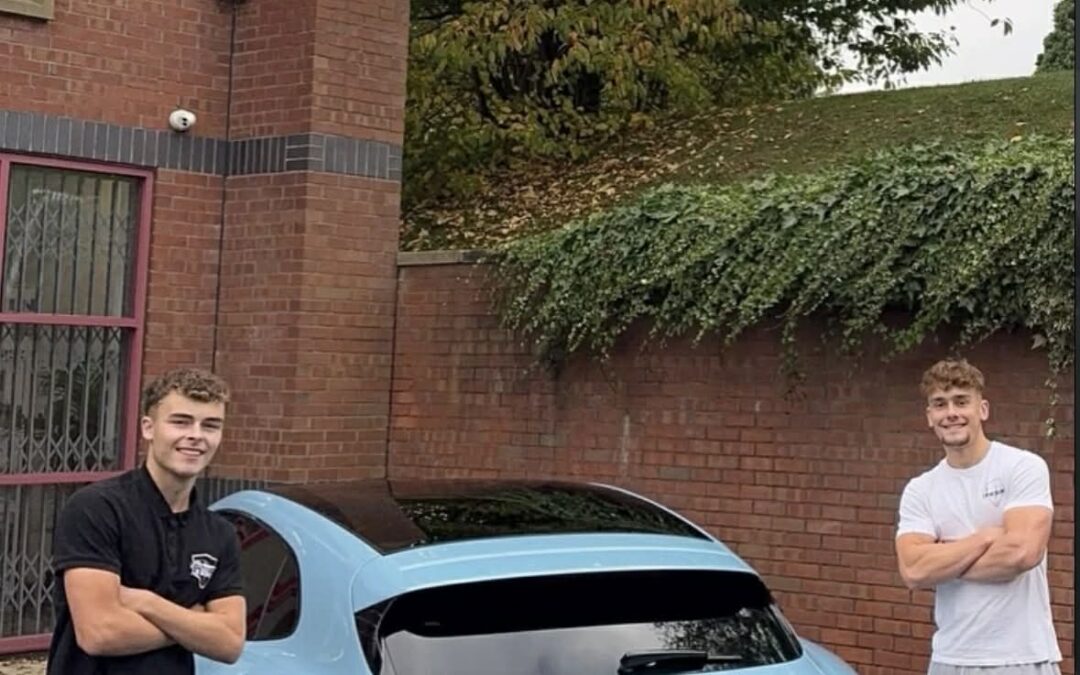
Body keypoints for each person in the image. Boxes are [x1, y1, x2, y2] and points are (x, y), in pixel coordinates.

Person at [46, 368, 246, 675]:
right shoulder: (97, 509)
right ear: (148, 428)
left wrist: (148, 603)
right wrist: (194, 623)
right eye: (180, 421)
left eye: (210, 425)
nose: (196, 435)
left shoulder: (219, 534)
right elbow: (100, 633)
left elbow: (230, 643)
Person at [895, 358, 1061, 675]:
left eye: (961, 401)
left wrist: (943, 559)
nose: (951, 413)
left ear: (982, 409)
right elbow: (914, 571)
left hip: (1020, 657)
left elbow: (1021, 554)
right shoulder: (921, 489)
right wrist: (985, 537)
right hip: (949, 659)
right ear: (929, 417)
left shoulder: (1022, 467)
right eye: (940, 404)